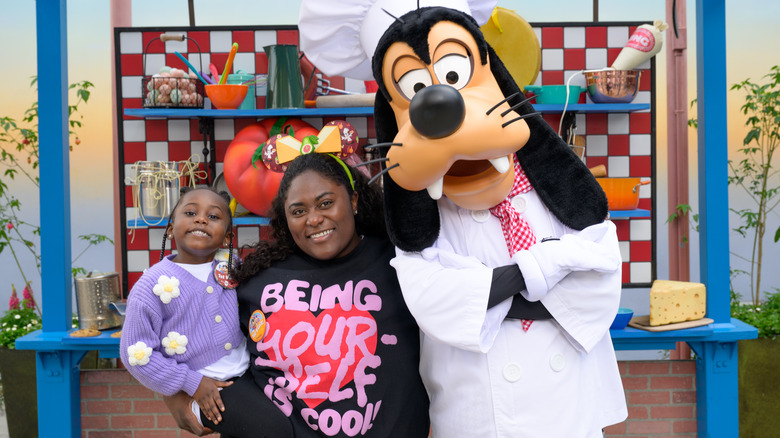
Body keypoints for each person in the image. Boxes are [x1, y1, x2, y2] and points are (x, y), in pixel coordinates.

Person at [167, 152, 430, 437]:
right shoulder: (256, 278)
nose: (314, 219)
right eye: (298, 211)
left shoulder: (400, 264)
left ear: (353, 201)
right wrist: (175, 395)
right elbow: (189, 339)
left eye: (326, 203)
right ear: (286, 219)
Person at [120, 187, 253, 427]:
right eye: (191, 212)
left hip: (248, 375)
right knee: (267, 427)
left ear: (226, 238)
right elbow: (136, 355)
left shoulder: (232, 266)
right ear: (170, 229)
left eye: (213, 216)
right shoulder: (151, 285)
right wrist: (191, 383)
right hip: (205, 391)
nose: (201, 219)